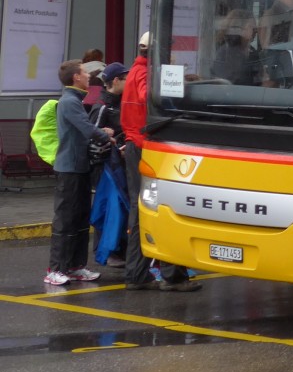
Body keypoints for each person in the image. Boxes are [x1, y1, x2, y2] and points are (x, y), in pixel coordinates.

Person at [121, 32, 201, 293]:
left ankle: (137, 273)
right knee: (163, 208)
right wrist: (177, 86)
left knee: (141, 208)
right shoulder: (146, 73)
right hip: (147, 147)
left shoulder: (136, 69)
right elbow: (152, 98)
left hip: (137, 145)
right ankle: (171, 275)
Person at [44, 59, 114, 286]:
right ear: (75, 77)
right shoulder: (69, 102)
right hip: (69, 169)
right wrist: (106, 136)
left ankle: (75, 266)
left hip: (81, 167)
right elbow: (85, 127)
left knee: (81, 218)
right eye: (84, 72)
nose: (87, 76)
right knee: (65, 219)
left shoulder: (75, 100)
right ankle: (55, 269)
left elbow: (84, 127)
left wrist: (100, 131)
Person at [89, 62, 129, 268]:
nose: (129, 81)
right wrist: (110, 143)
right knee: (109, 207)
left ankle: (119, 249)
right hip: (106, 166)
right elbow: (90, 138)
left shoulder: (123, 103)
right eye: (125, 78)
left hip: (120, 163)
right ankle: (106, 250)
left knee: (121, 206)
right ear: (115, 81)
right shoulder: (102, 107)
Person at [212, 8, 262, 85]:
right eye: (251, 26)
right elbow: (227, 82)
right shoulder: (225, 53)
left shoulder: (252, 52)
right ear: (239, 28)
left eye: (255, 27)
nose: (255, 30)